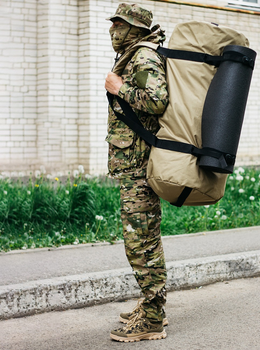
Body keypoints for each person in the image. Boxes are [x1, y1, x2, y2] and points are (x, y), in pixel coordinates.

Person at [104, 2, 169, 343]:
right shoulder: (133, 54)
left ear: (134, 28)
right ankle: (152, 304)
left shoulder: (143, 56)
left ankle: (153, 319)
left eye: (118, 25)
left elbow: (157, 101)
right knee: (145, 237)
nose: (112, 30)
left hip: (140, 168)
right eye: (113, 24)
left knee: (139, 241)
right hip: (134, 167)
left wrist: (120, 89)